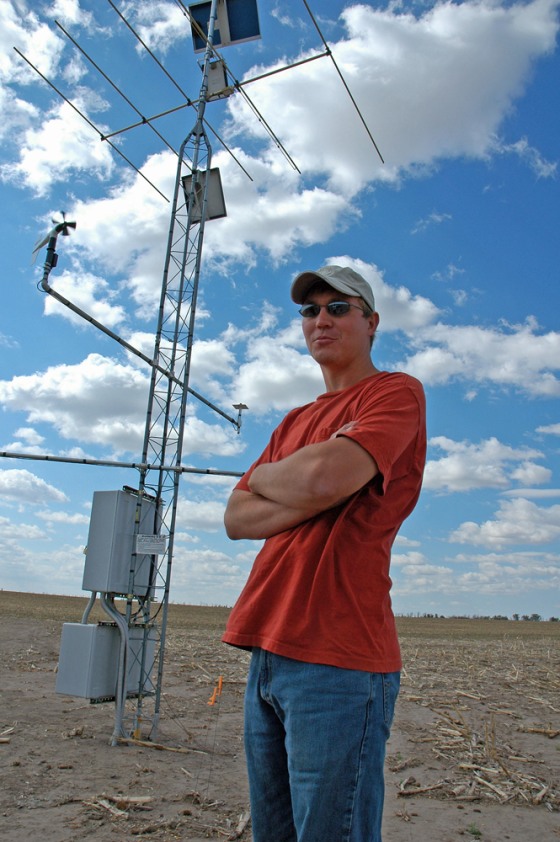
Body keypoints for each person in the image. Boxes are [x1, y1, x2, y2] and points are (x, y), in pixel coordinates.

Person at [222, 264, 426, 842]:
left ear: (372, 322)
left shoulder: (395, 392)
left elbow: (319, 481)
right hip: (268, 647)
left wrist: (276, 479)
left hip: (338, 657)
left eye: (339, 307)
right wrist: (310, 484)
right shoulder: (295, 420)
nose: (321, 319)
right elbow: (236, 519)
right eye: (310, 310)